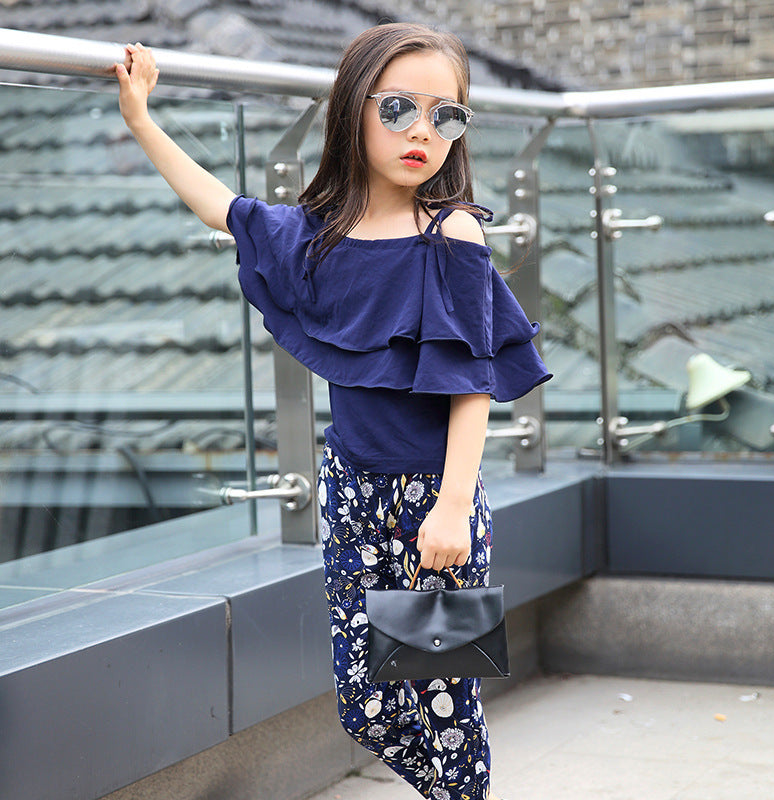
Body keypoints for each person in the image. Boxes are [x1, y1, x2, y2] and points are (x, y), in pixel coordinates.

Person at [115, 22, 550, 800]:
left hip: (435, 502)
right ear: (353, 110)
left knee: (447, 708)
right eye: (399, 109)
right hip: (350, 493)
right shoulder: (314, 239)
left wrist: (452, 506)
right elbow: (224, 208)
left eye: (446, 115)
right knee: (367, 706)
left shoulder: (449, 233)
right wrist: (144, 118)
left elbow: (470, 383)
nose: (423, 130)